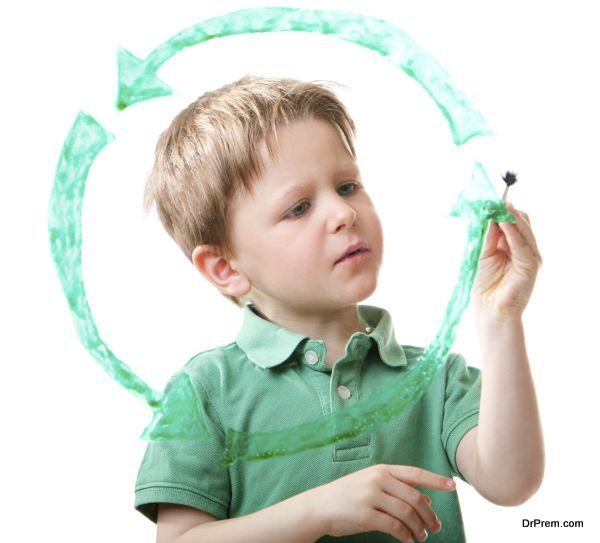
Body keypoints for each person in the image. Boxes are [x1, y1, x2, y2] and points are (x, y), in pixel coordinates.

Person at [134, 74, 544, 543]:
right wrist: (318, 512)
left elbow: (512, 482)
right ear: (226, 267)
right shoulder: (202, 391)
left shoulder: (438, 380)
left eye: (347, 186)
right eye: (299, 207)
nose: (344, 213)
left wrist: (500, 319)